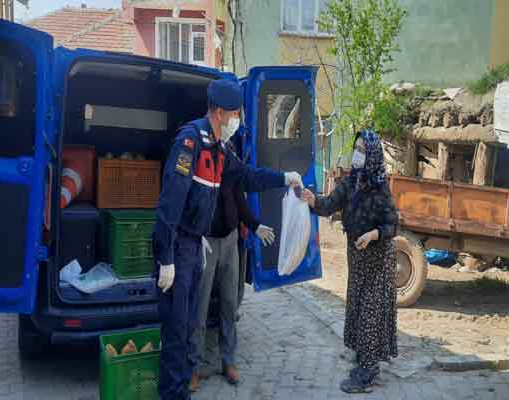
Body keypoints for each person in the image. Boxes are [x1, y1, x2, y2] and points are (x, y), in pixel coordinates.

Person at [153, 78, 303, 400]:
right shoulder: (190, 143)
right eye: (235, 113)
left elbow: (246, 176)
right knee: (177, 332)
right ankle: (172, 393)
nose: (238, 120)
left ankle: (179, 393)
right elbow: (169, 205)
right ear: (220, 112)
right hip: (178, 249)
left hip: (195, 246)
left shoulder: (219, 149)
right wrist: (165, 257)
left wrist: (283, 178)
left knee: (188, 323)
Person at [301, 130, 399, 394]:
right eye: (356, 149)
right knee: (357, 308)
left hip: (378, 260)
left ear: (373, 156)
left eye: (363, 151)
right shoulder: (350, 183)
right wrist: (313, 201)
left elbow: (393, 226)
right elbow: (328, 205)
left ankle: (367, 372)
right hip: (357, 258)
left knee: (370, 312)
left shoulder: (380, 188)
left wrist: (372, 234)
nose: (358, 155)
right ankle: (364, 359)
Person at [189, 136, 275, 391]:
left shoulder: (231, 156)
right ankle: (193, 367)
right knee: (199, 307)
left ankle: (228, 361)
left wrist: (255, 225)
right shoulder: (199, 154)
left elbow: (240, 199)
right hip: (205, 242)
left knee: (229, 304)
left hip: (230, 241)